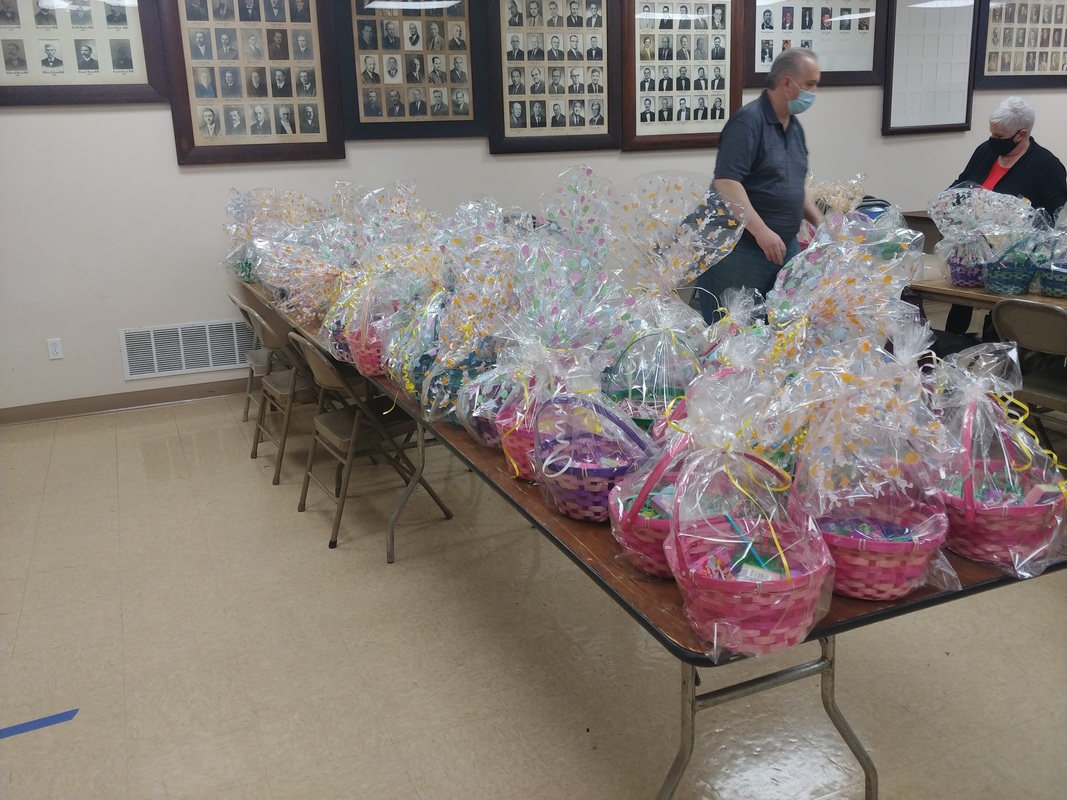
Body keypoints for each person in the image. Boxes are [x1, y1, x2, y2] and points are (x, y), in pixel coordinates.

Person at [695, 47, 823, 323]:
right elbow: (726, 182)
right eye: (810, 84)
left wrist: (821, 223)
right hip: (741, 251)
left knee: (778, 332)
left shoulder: (794, 127)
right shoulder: (748, 122)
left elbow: (795, 185)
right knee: (733, 334)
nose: (814, 92)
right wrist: (762, 231)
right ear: (787, 83)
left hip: (783, 248)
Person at [942, 96, 1067, 334]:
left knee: (999, 317)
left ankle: (996, 344)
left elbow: (1056, 219)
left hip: (1013, 262)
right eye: (992, 133)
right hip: (971, 252)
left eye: (999, 136)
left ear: (1021, 134)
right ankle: (952, 342)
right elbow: (961, 186)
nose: (993, 140)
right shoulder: (986, 151)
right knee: (959, 304)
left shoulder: (1046, 166)